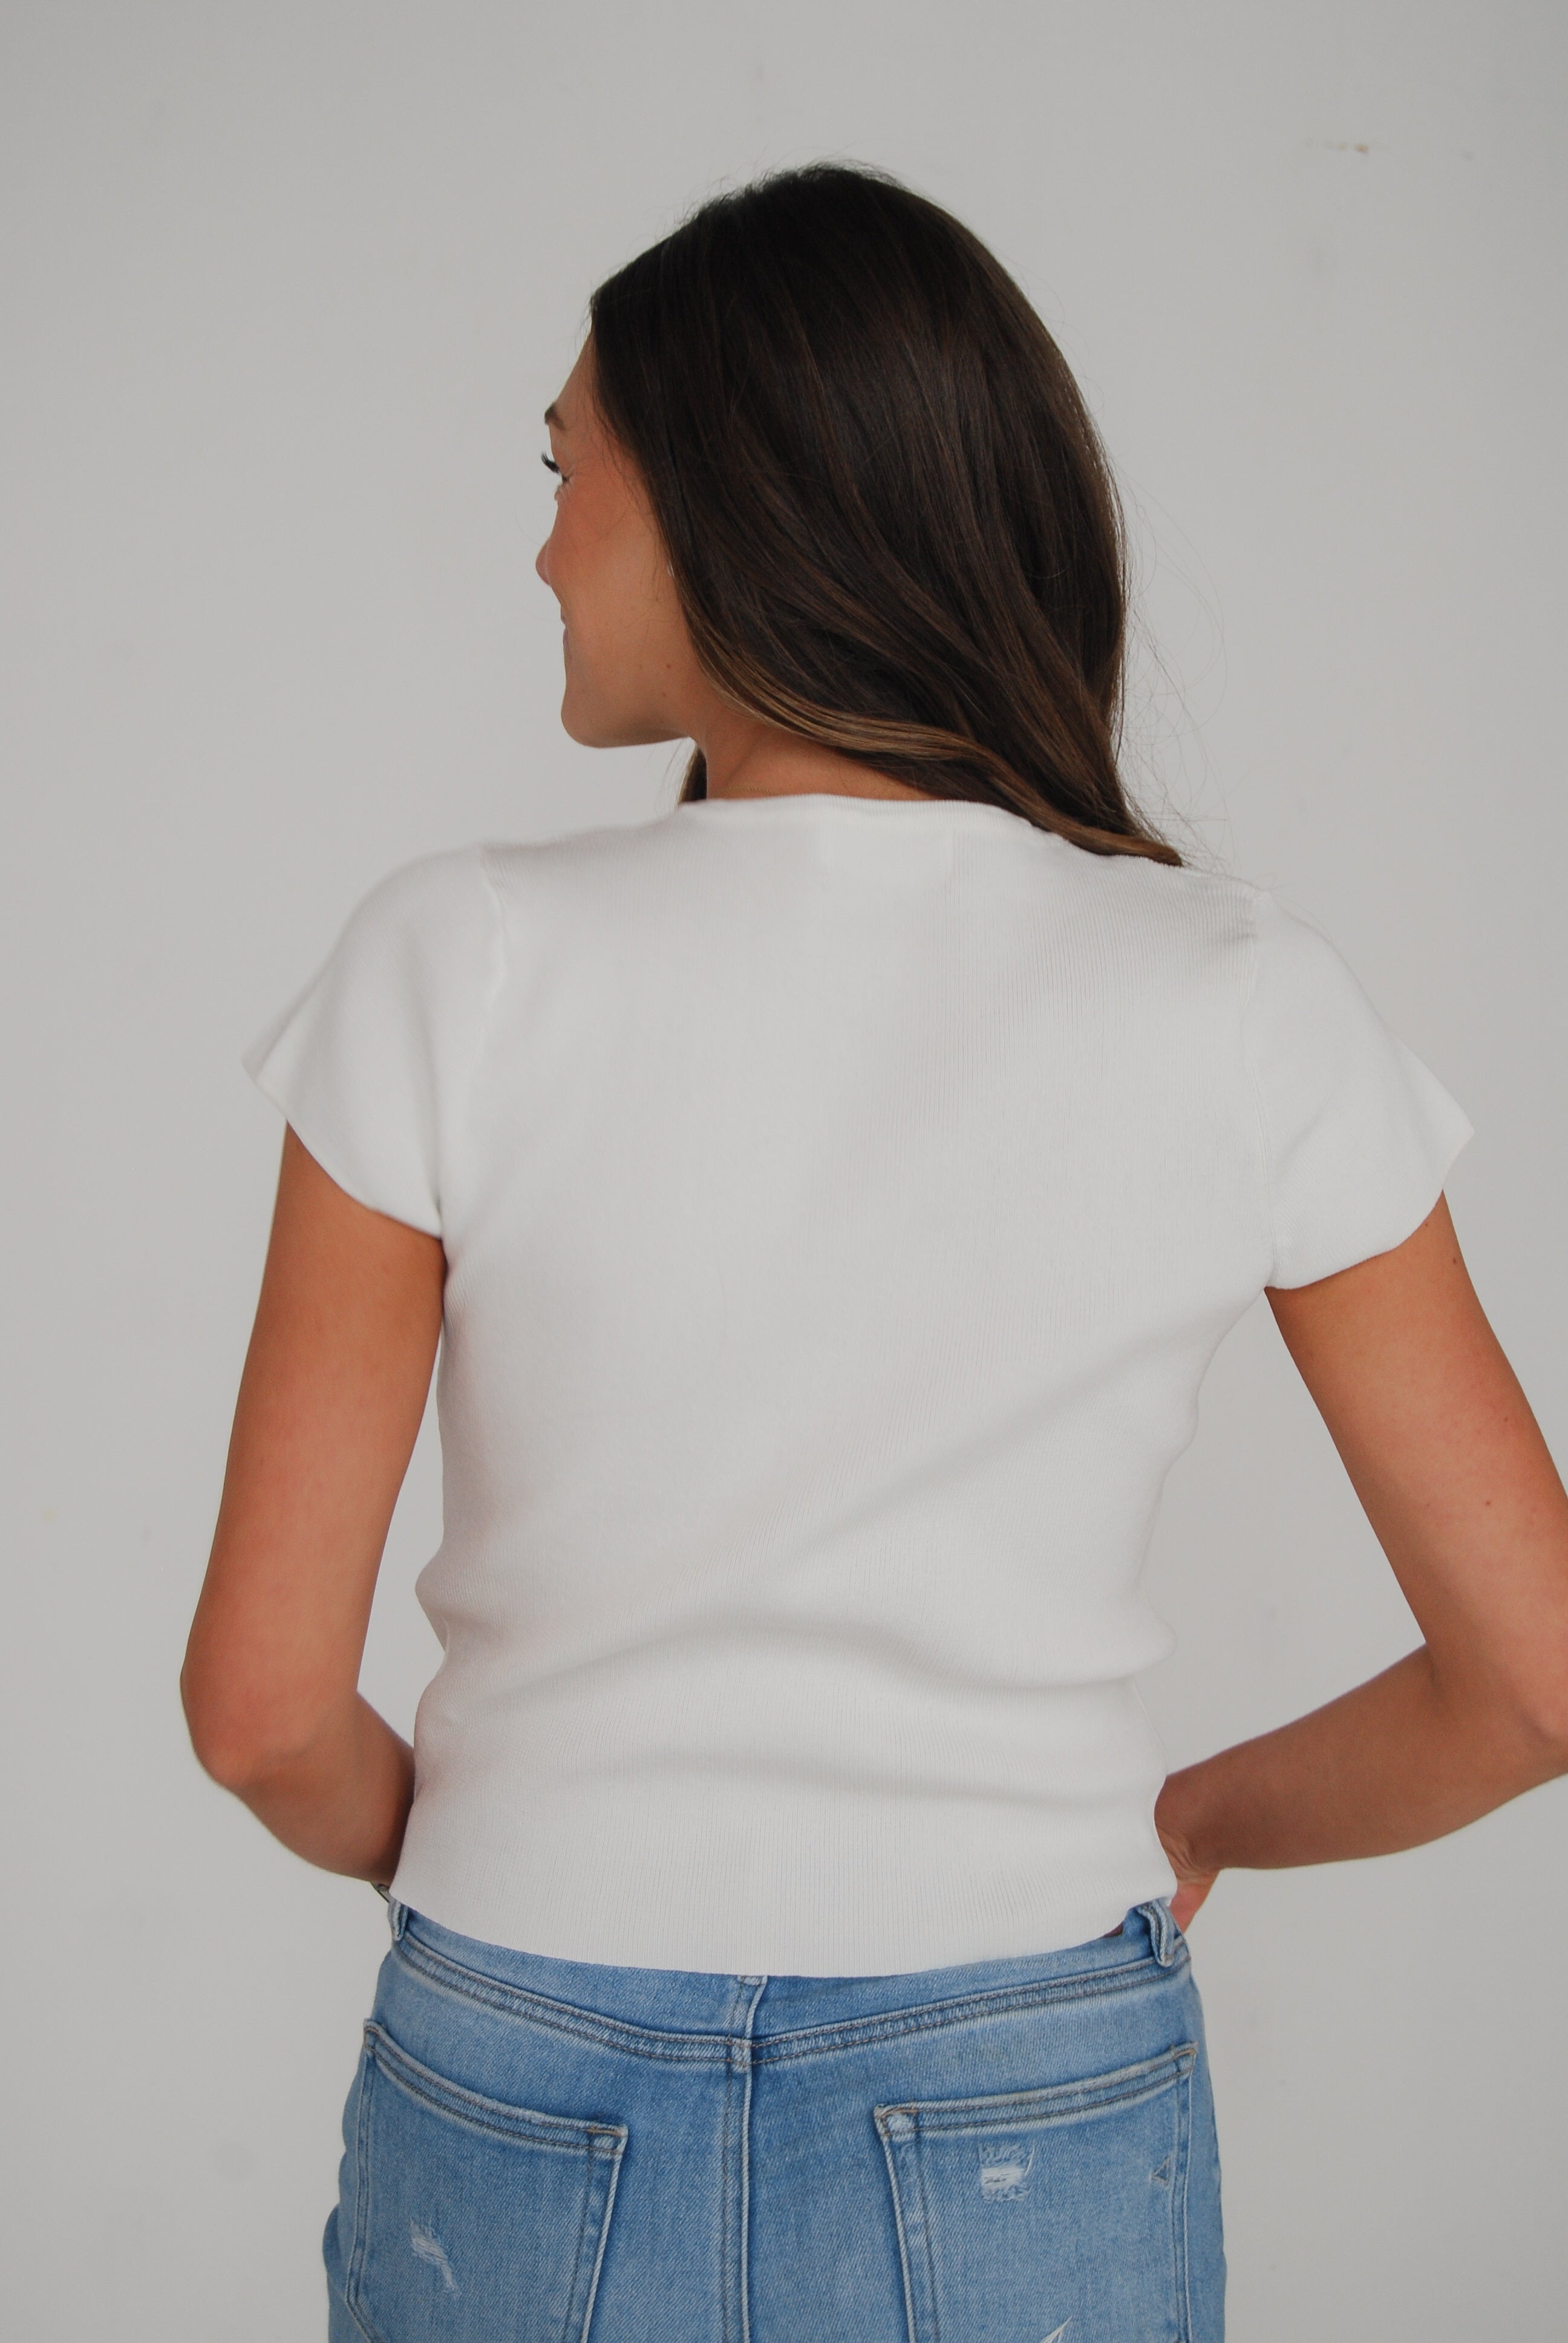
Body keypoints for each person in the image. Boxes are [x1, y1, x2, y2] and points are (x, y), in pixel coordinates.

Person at [181, 163, 1568, 2342]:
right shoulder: (1237, 996)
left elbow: (264, 1712)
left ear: (724, 494)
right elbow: (1537, 1678)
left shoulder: (458, 960)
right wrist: (1198, 1814)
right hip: (1034, 2061)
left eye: (565, 471)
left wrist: (481, 1852)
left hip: (523, 2047)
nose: (541, 546)